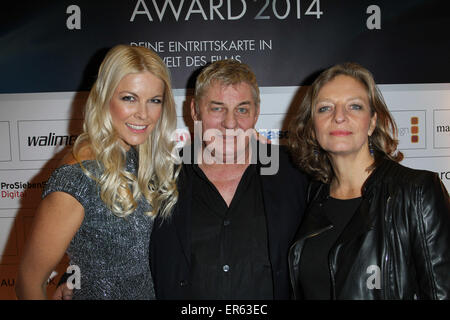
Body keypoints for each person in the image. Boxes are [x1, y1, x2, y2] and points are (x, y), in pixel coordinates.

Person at [15, 45, 179, 299]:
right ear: (104, 98)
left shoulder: (138, 157)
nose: (144, 114)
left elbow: (101, 252)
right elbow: (28, 281)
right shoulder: (77, 178)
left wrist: (74, 276)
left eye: (154, 101)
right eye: (129, 98)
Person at [288, 62, 450, 300]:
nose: (339, 117)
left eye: (354, 106)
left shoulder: (416, 192)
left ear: (372, 122)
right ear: (312, 127)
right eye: (325, 108)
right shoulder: (313, 196)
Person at [149, 59, 309, 299]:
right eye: (217, 108)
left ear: (256, 113)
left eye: (242, 109)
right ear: (194, 111)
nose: (230, 123)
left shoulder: (296, 171)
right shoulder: (160, 176)